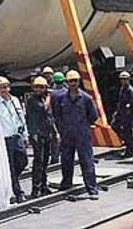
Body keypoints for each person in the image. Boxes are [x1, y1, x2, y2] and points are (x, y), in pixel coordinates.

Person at [52, 70, 99, 199]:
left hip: (82, 134)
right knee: (66, 160)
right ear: (66, 83)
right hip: (67, 134)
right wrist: (62, 129)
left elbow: (93, 116)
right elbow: (57, 115)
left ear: (79, 82)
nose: (73, 83)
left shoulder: (86, 98)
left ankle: (92, 188)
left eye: (75, 81)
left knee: (87, 161)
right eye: (70, 81)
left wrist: (82, 126)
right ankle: (66, 184)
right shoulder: (61, 98)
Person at [0, 76, 28, 204]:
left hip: (17, 137)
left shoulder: (15, 100)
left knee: (23, 162)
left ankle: (11, 180)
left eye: (5, 87)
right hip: (5, 139)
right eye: (0, 88)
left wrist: (25, 135)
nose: (3, 90)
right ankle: (18, 192)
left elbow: (21, 117)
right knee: (10, 166)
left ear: (9, 88)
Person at [25, 76, 52, 198]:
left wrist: (54, 132)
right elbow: (43, 109)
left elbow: (50, 118)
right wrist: (50, 97)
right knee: (38, 162)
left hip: (46, 133)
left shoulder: (42, 98)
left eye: (41, 87)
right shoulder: (32, 100)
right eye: (36, 87)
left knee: (45, 161)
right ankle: (36, 188)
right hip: (37, 134)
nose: (38, 89)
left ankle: (44, 186)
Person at [112, 71, 133, 158]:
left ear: (128, 80)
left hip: (127, 115)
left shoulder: (130, 90)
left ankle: (129, 151)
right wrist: (117, 112)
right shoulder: (122, 89)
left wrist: (129, 110)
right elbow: (120, 102)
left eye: (125, 79)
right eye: (122, 79)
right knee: (114, 125)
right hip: (121, 113)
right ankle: (124, 140)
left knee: (128, 132)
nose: (123, 81)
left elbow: (132, 102)